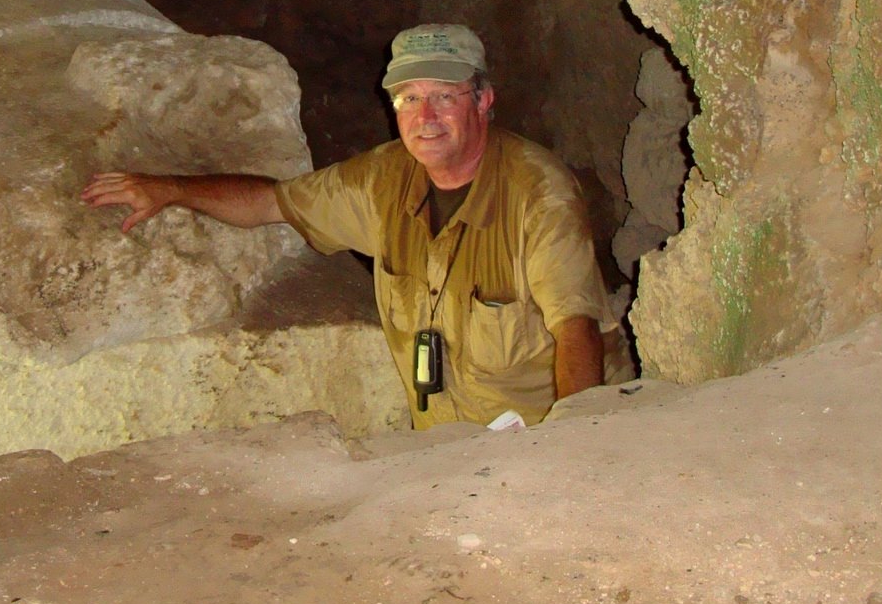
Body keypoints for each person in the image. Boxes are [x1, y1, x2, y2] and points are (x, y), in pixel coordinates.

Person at [81, 23, 625, 428]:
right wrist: (173, 189)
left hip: (535, 435)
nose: (425, 116)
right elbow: (270, 203)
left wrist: (571, 442)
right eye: (409, 98)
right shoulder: (381, 181)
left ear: (482, 100)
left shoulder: (538, 193)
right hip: (448, 443)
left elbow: (576, 330)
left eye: (444, 96)